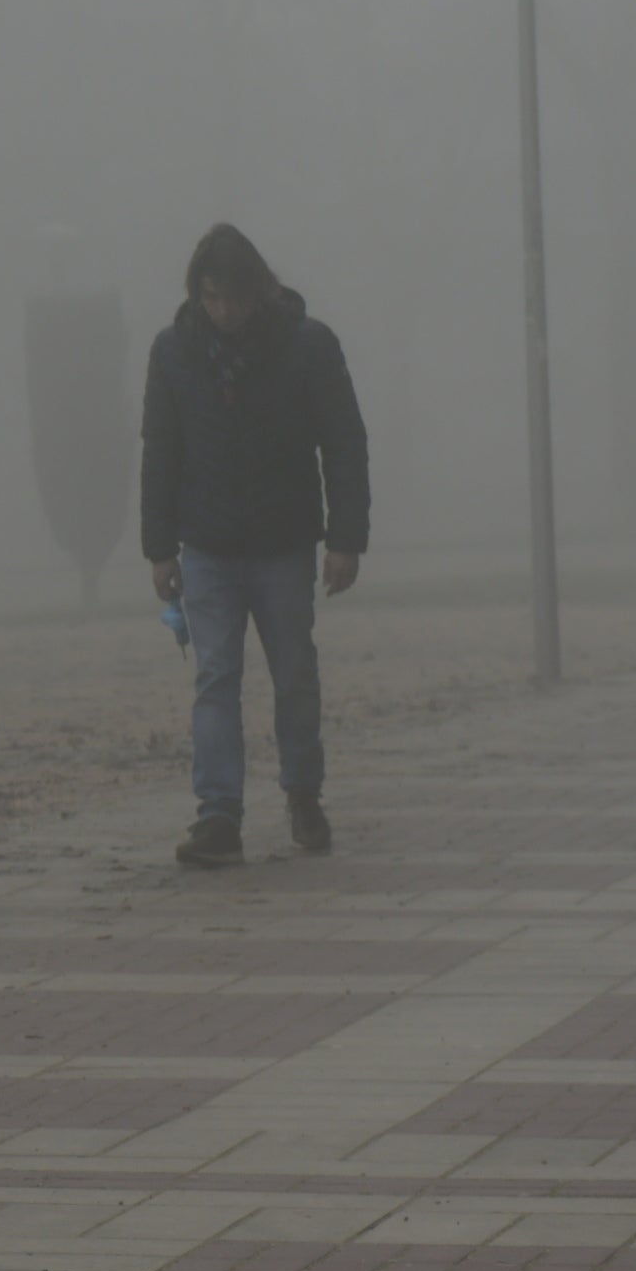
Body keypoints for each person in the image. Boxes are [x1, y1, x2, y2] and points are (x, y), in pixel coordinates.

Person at [141, 223, 369, 869]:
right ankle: (218, 812)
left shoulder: (308, 346)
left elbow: (344, 442)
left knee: (294, 671)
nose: (223, 312)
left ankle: (302, 791)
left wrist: (346, 539)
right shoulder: (174, 353)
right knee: (215, 677)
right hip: (207, 546)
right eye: (211, 298)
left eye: (233, 298)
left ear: (258, 291)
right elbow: (160, 450)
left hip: (283, 542)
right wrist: (159, 547)